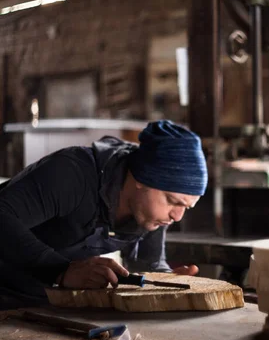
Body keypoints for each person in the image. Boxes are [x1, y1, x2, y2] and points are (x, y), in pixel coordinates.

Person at [0, 120, 208, 309]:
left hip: (46, 303)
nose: (177, 217)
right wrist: (61, 270)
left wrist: (166, 282)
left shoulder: (151, 212)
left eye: (187, 207)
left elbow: (148, 264)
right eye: (173, 201)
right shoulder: (71, 174)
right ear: (141, 179)